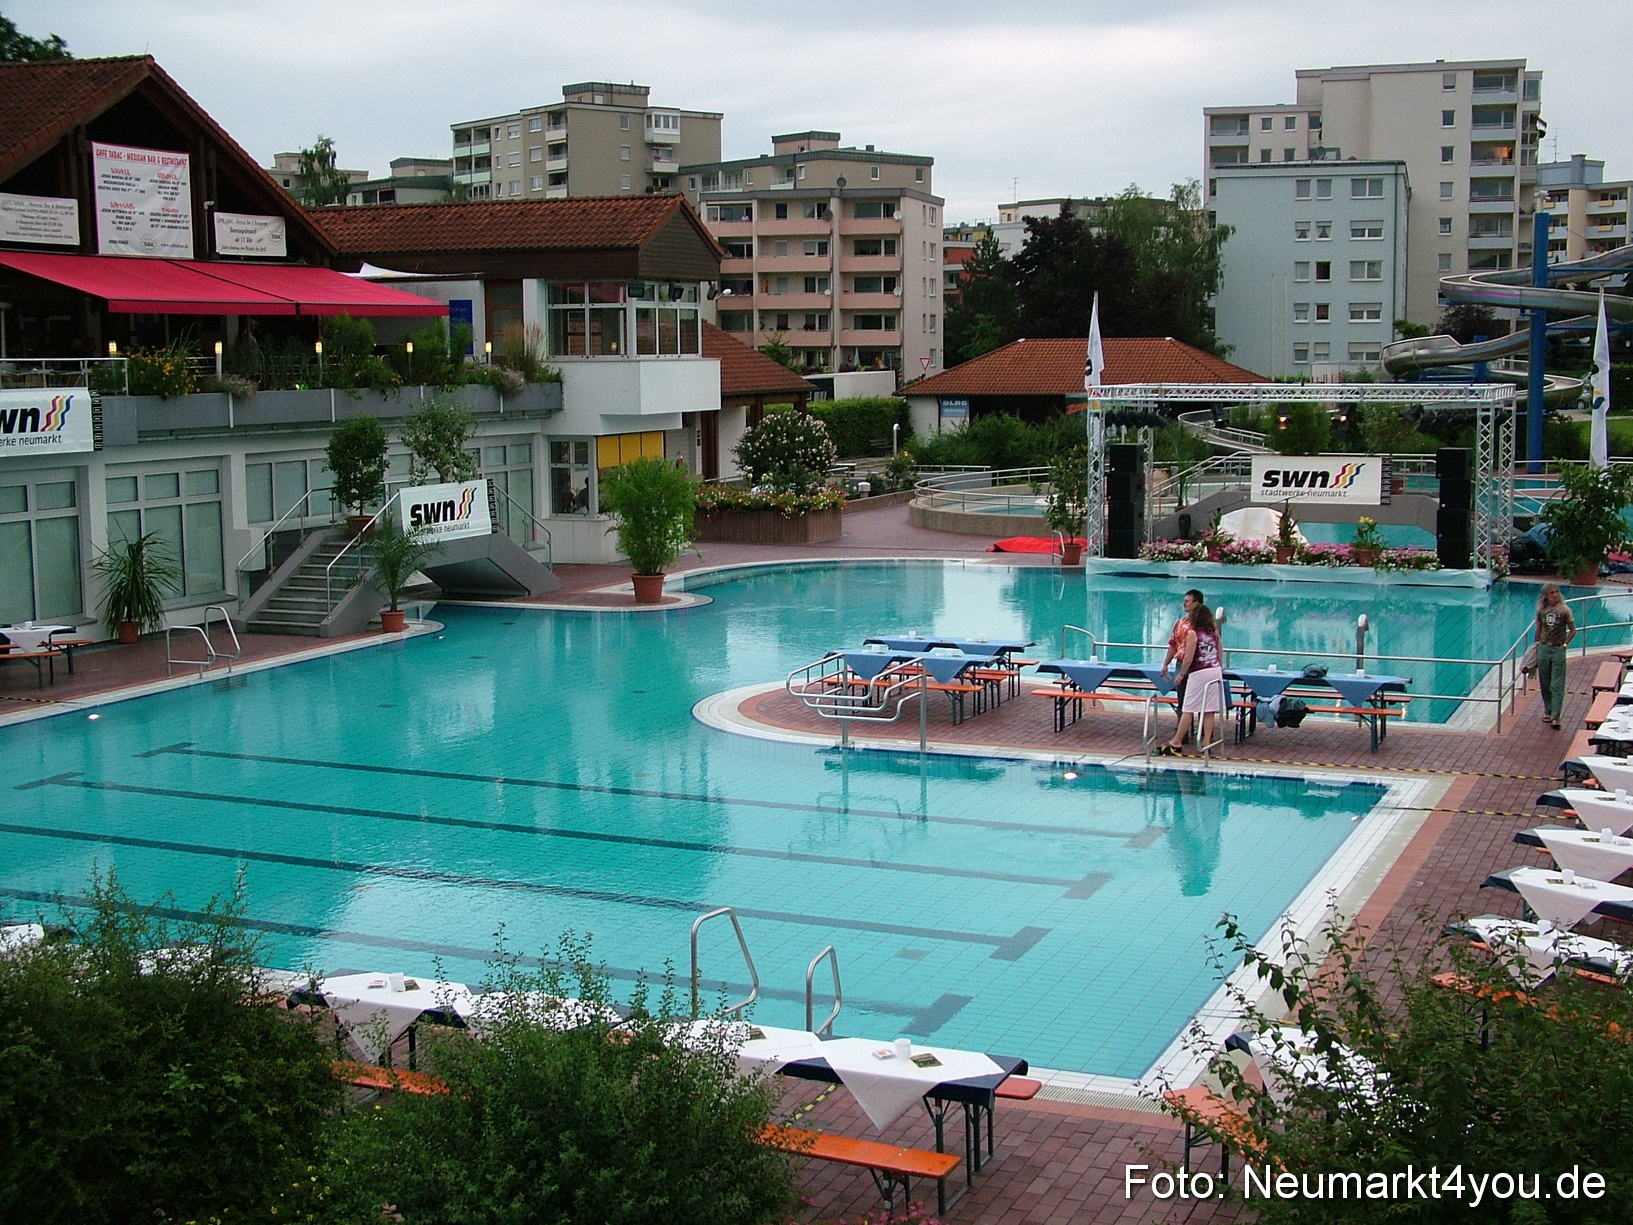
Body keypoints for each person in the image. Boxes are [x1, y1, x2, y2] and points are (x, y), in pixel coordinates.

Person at [1160, 600, 1225, 757]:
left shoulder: (1193, 633)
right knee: (1209, 709)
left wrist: (1182, 674)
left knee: (1188, 708)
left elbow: (1188, 658)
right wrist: (1217, 668)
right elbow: (1220, 653)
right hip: (1215, 671)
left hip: (1199, 672)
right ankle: (1206, 742)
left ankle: (1176, 742)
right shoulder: (1214, 633)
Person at [1534, 584, 1576, 729]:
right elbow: (1538, 630)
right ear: (1546, 595)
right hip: (1544, 648)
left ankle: (1556, 716)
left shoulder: (1564, 610)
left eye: (1557, 592)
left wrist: (1564, 644)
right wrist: (1536, 647)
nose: (1555, 595)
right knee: (1544, 682)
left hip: (1557, 649)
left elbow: (1572, 630)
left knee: (1556, 683)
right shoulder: (1541, 610)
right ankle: (1548, 710)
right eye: (1552, 592)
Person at [1162, 590, 1203, 714]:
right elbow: (1173, 644)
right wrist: (1166, 664)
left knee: (1202, 702)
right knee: (1182, 700)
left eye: (1187, 601)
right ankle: (1183, 729)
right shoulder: (1181, 623)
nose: (1184, 604)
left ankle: (1205, 731)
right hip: (1181, 663)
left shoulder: (1204, 624)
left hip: (1199, 665)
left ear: (1196, 603)